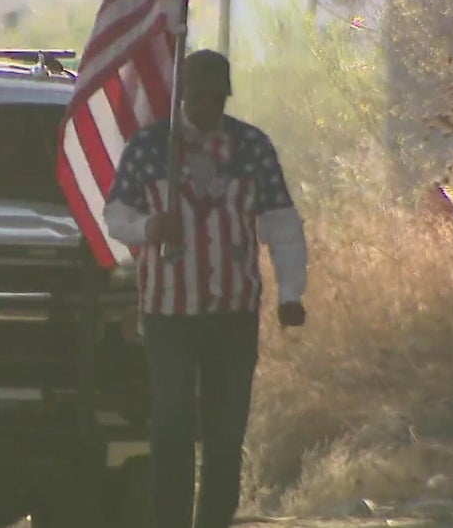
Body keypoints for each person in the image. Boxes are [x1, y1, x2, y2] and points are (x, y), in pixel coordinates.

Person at [102, 49, 308, 528]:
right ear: (183, 96)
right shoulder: (149, 148)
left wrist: (291, 293)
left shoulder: (252, 148)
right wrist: (150, 227)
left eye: (217, 97)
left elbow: (281, 224)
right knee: (172, 424)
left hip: (233, 312)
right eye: (199, 97)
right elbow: (116, 215)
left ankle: (214, 519)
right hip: (168, 314)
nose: (208, 106)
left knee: (225, 430)